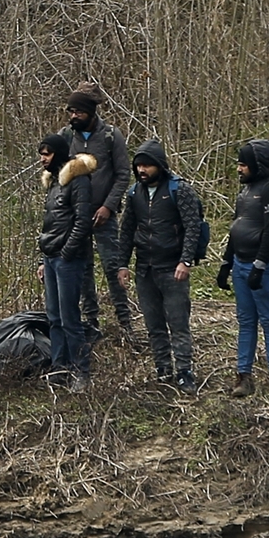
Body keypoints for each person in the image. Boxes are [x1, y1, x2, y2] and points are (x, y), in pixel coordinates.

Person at [115, 140, 206, 393]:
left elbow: (193, 227)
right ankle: (163, 370)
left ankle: (184, 372)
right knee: (154, 325)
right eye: (138, 165)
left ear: (160, 166)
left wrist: (186, 260)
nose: (142, 170)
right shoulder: (135, 193)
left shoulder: (180, 190)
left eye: (147, 165)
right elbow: (127, 231)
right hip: (145, 268)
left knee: (178, 323)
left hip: (173, 269)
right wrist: (122, 264)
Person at [216, 139, 269, 395]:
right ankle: (243, 376)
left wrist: (260, 265)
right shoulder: (245, 191)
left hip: (267, 267)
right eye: (238, 163)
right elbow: (237, 227)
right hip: (240, 263)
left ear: (257, 165)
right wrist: (227, 262)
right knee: (246, 321)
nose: (239, 169)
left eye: (243, 164)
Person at [64, 84, 136, 347]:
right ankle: (91, 322)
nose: (73, 116)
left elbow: (123, 174)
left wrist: (108, 206)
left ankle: (125, 322)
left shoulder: (110, 136)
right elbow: (60, 178)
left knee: (113, 268)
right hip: (76, 218)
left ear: (90, 112)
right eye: (70, 111)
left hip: (105, 216)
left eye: (78, 112)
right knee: (83, 271)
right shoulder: (65, 137)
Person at [37, 132, 98, 389]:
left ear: (58, 153)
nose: (42, 159)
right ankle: (59, 368)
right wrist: (43, 259)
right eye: (41, 154)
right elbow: (50, 224)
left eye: (47, 154)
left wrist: (67, 252)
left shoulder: (79, 180)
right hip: (51, 258)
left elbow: (83, 221)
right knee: (54, 317)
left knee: (70, 317)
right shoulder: (53, 183)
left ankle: (81, 372)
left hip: (68, 259)